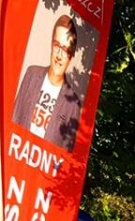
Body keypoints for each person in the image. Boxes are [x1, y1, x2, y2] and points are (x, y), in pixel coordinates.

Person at [12, 15, 83, 152]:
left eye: (66, 50)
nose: (59, 55)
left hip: (44, 164)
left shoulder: (73, 104)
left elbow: (66, 153)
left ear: (71, 58)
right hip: (17, 154)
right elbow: (15, 116)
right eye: (57, 45)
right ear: (51, 46)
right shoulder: (32, 74)